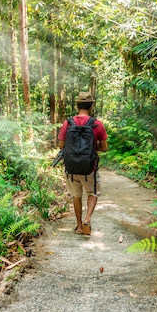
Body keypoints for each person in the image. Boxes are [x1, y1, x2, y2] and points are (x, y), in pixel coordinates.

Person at [58, 92, 108, 235]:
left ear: (77, 105)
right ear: (91, 105)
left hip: (72, 167)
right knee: (92, 192)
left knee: (76, 195)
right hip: (89, 167)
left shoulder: (68, 123)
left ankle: (79, 226)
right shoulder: (97, 124)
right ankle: (87, 219)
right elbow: (104, 148)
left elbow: (61, 146)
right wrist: (91, 147)